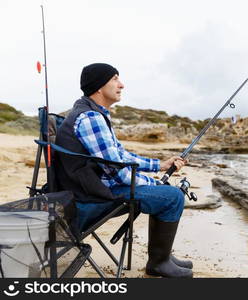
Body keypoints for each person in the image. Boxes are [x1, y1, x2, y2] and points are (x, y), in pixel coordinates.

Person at [55, 63, 193, 278]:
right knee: (172, 196)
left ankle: (161, 256)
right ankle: (159, 263)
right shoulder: (91, 118)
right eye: (115, 79)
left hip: (91, 187)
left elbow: (121, 156)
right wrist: (155, 182)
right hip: (91, 196)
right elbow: (117, 171)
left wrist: (160, 166)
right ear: (99, 86)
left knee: (165, 193)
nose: (122, 85)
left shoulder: (95, 114)